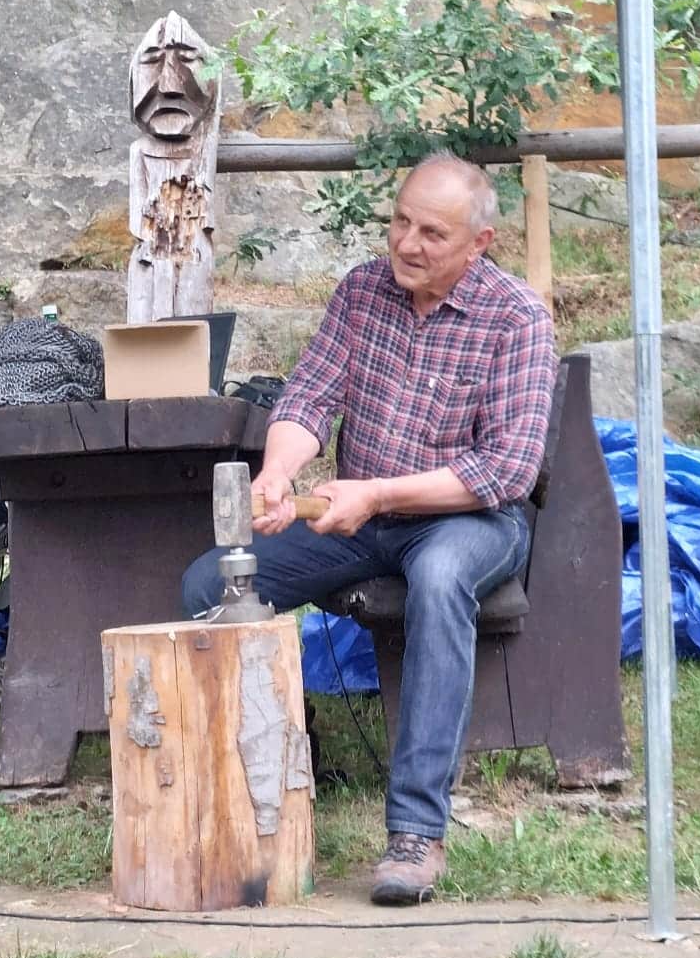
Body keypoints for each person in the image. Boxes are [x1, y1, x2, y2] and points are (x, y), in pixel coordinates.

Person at [182, 153, 557, 904]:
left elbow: (506, 471)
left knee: (440, 579)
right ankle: (266, 774)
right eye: (401, 222)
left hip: (470, 520)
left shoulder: (516, 317)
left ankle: (416, 832)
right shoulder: (362, 290)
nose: (407, 244)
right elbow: (309, 398)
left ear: (479, 244)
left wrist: (379, 495)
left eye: (432, 233)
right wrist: (279, 474)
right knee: (209, 582)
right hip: (360, 515)